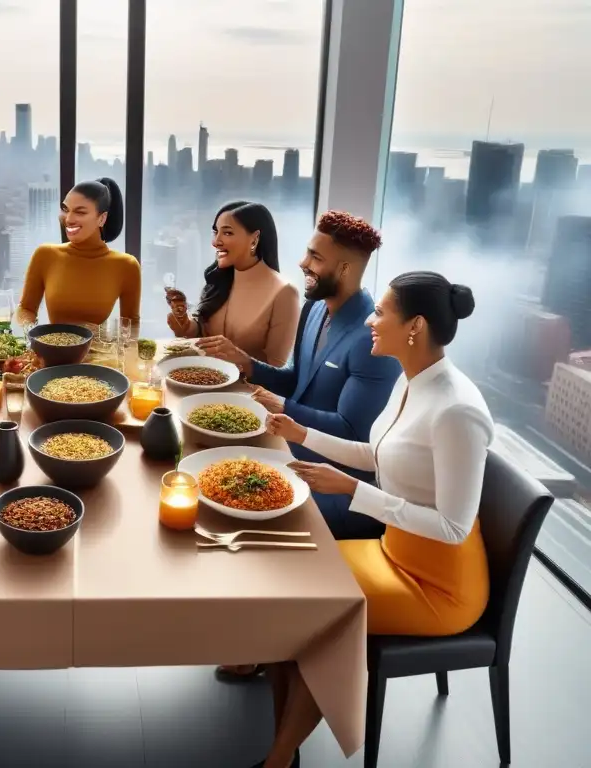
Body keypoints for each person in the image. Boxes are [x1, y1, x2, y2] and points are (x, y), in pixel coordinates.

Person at [254, 272, 493, 768]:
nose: (370, 320)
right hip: (392, 550)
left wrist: (353, 491)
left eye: (381, 311)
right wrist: (303, 432)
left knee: (312, 612)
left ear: (416, 326)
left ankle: (279, 759)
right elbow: (378, 453)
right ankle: (285, 737)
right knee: (284, 589)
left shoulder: (457, 411)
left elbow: (453, 525)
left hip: (439, 584)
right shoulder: (412, 380)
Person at [214, 211, 399, 683]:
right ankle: (243, 624)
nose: (302, 263)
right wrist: (249, 365)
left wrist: (284, 406)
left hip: (344, 486)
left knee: (246, 512)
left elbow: (353, 433)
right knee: (220, 488)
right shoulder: (316, 309)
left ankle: (268, 642)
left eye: (315, 257)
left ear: (346, 269)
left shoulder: (372, 339)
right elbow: (298, 381)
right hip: (296, 454)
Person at [165, 201, 299, 367]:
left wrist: (238, 357)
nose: (216, 242)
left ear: (254, 240)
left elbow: (276, 370)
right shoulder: (219, 279)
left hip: (247, 392)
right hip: (204, 382)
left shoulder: (285, 293)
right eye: (216, 233)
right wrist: (185, 325)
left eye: (227, 233)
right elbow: (204, 335)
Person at [16, 177, 141, 334]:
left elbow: (131, 324)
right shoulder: (45, 255)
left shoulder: (126, 265)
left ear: (102, 218)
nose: (68, 219)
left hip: (98, 356)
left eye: (80, 212)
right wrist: (32, 335)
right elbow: (26, 308)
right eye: (66, 209)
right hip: (52, 354)